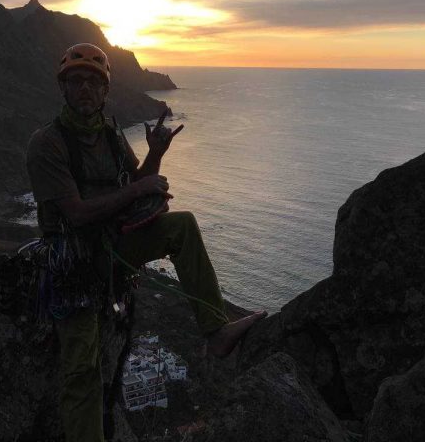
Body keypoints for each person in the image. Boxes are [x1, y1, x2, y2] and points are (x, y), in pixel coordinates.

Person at [26, 42, 267, 442]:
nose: (85, 89)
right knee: (83, 370)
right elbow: (77, 213)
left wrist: (155, 155)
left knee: (183, 226)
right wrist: (139, 193)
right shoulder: (47, 143)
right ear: (63, 89)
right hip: (73, 263)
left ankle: (217, 331)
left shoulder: (108, 133)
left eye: (93, 83)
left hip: (114, 247)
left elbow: (134, 183)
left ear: (105, 92)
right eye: (76, 81)